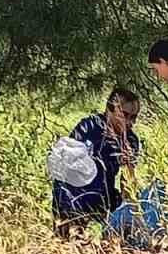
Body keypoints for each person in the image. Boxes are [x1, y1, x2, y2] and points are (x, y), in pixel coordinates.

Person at [51, 88, 141, 237]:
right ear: (110, 110)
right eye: (125, 115)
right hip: (75, 192)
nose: (129, 122)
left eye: (134, 117)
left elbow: (128, 186)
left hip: (105, 195)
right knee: (68, 238)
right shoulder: (89, 126)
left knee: (126, 219)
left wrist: (128, 164)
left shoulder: (131, 140)